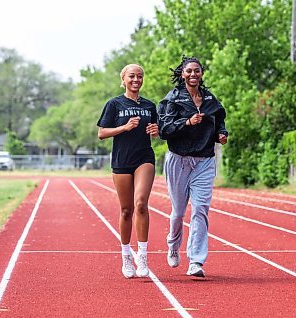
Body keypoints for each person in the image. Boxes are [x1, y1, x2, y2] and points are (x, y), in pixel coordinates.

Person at [157, 56, 228, 277]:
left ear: (202, 73)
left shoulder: (210, 100)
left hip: (204, 161)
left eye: (197, 71)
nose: (193, 74)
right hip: (179, 160)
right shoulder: (173, 99)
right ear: (182, 74)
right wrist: (186, 122)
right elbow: (164, 129)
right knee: (178, 212)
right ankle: (172, 244)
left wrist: (221, 134)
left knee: (200, 209)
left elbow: (220, 121)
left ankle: (196, 261)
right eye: (189, 71)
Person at [97, 64, 159, 278]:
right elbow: (102, 133)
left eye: (139, 76)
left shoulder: (150, 106)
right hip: (122, 160)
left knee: (140, 204)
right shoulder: (114, 104)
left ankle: (142, 257)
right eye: (132, 76)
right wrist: (124, 127)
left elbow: (157, 130)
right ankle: (126, 256)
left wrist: (156, 130)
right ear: (123, 79)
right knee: (126, 210)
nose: (136, 79)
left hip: (144, 158)